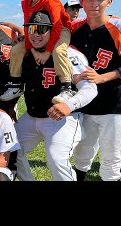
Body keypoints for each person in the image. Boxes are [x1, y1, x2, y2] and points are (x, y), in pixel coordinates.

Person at [14, 10, 98, 181]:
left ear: (53, 31)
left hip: (61, 119)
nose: (36, 34)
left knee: (56, 160)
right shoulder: (25, 53)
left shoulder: (67, 53)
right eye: (32, 29)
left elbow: (90, 88)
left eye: (42, 29)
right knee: (9, 150)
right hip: (31, 116)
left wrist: (69, 105)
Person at [69, 0, 121, 182]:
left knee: (111, 157)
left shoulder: (120, 27)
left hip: (113, 104)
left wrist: (103, 78)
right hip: (83, 104)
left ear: (109, 1)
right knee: (82, 151)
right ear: (81, 1)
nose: (94, 4)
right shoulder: (74, 27)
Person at [0, 0, 73, 103]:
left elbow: (56, 26)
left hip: (61, 29)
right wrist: (32, 49)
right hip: (36, 29)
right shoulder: (25, 2)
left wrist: (47, 51)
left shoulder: (51, 1)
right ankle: (15, 84)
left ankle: (67, 88)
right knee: (16, 49)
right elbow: (27, 25)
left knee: (58, 50)